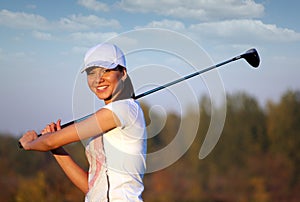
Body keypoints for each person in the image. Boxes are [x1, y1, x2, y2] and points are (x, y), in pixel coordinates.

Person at [19, 43, 147, 202]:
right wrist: (56, 149)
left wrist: (29, 143)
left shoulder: (124, 109)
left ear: (123, 73)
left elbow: (50, 141)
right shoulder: (107, 118)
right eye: (92, 73)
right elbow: (92, 189)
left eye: (106, 70)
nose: (98, 79)